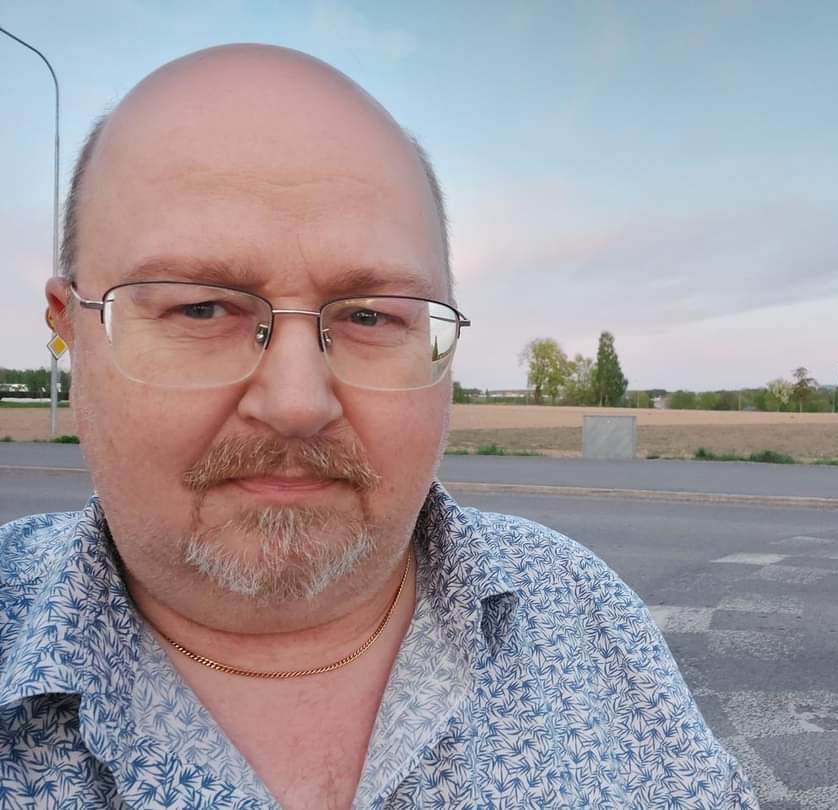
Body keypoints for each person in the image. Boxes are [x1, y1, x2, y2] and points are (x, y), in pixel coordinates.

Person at [0, 44, 759, 809]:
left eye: (369, 316)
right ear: (68, 329)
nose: (298, 403)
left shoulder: (582, 610)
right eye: (201, 307)